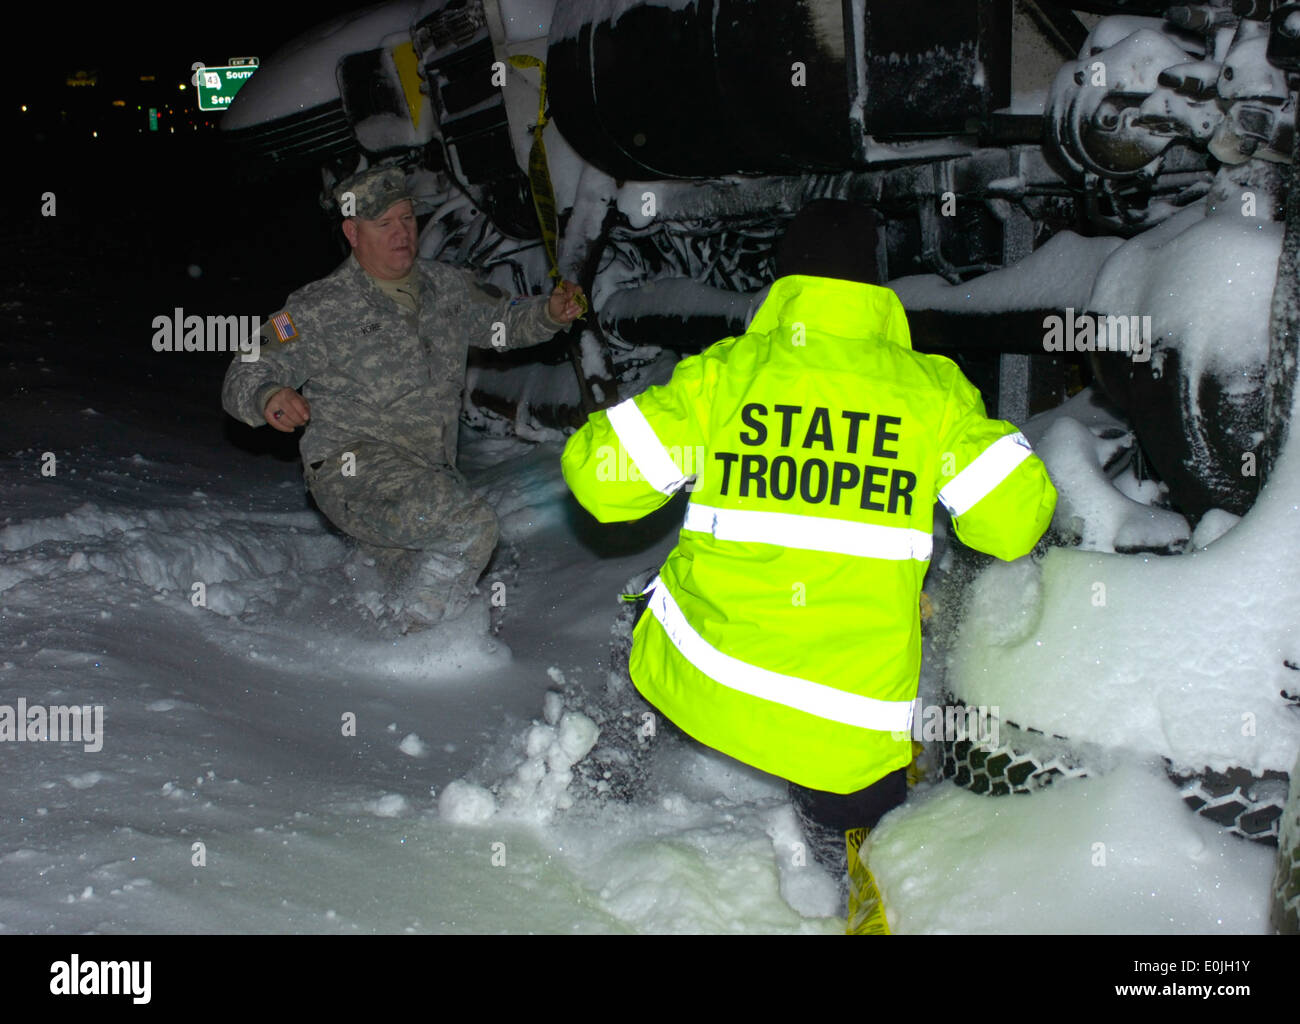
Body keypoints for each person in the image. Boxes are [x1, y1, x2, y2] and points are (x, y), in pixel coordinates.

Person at [559, 199, 1057, 891]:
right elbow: (1012, 525)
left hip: (709, 682)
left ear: (785, 283)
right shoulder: (933, 392)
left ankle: (599, 780)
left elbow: (599, 481)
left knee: (640, 613)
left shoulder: (729, 373)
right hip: (845, 728)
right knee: (861, 842)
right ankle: (848, 871)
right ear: (878, 290)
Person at [222, 165, 585, 627]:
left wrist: (550, 313)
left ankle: (398, 662)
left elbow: (503, 321)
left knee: (421, 576)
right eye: (384, 224)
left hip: (428, 476)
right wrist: (268, 394)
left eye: (407, 220)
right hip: (351, 470)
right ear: (353, 232)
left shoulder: (446, 287)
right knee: (470, 526)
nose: (402, 234)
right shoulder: (319, 306)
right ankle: (418, 641)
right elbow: (248, 365)